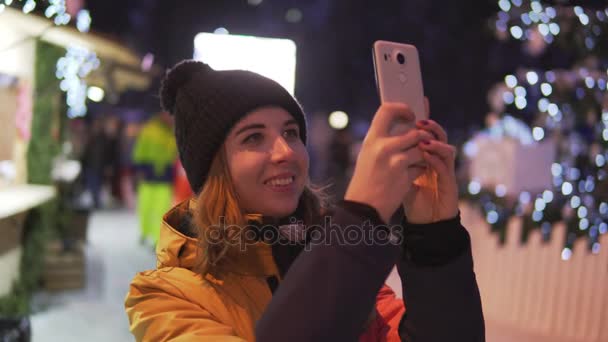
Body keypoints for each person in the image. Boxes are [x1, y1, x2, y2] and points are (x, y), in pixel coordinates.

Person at [125, 60, 485, 341]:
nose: (285, 152)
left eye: (291, 133)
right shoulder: (161, 297)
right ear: (214, 170)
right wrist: (362, 212)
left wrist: (434, 237)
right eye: (253, 138)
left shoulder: (332, 259)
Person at [132, 110, 178, 245]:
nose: (171, 118)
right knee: (146, 206)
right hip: (149, 173)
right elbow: (140, 150)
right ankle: (145, 233)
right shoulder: (150, 129)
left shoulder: (172, 132)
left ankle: (156, 238)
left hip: (164, 175)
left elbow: (174, 153)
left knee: (161, 208)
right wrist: (139, 169)